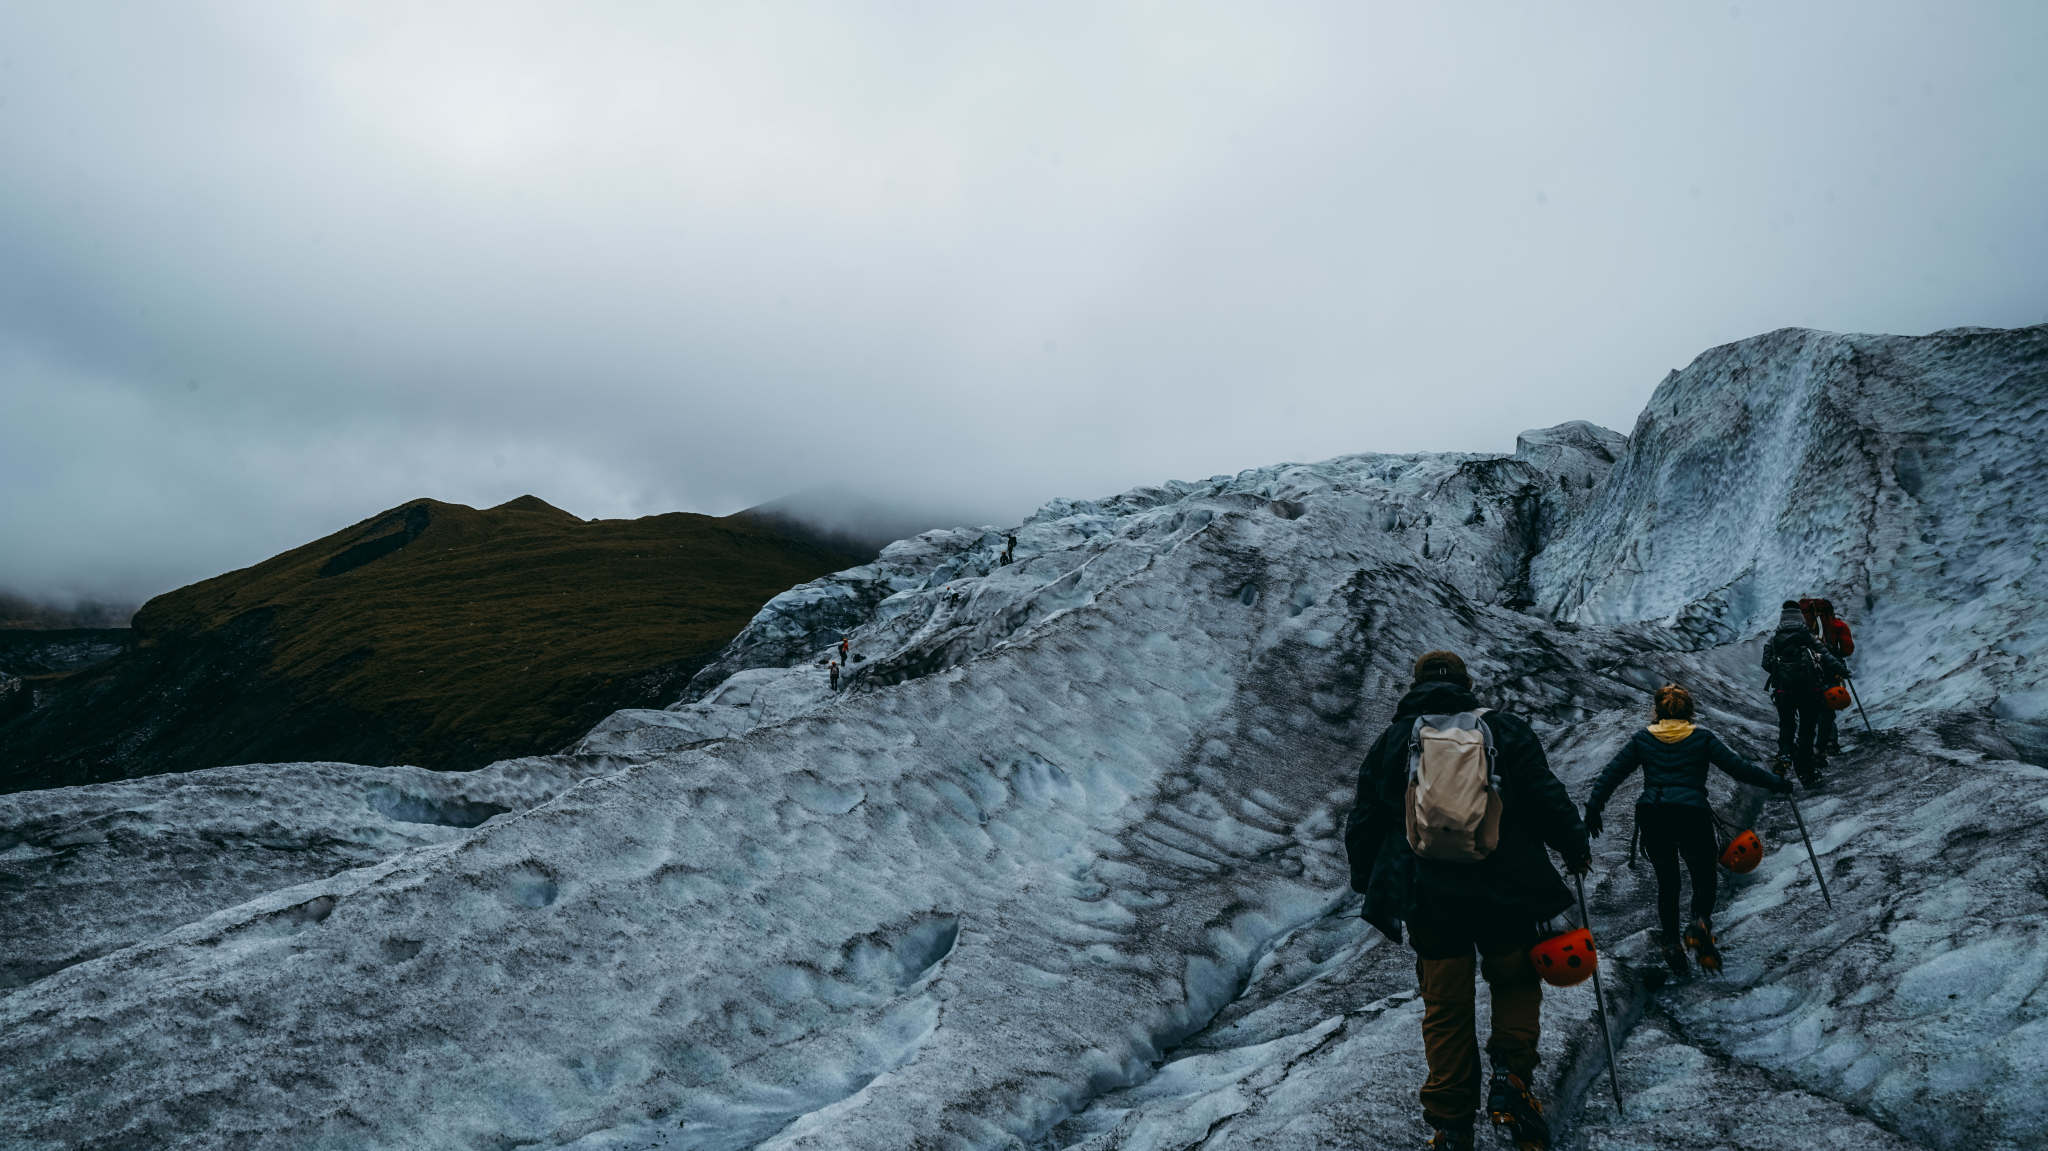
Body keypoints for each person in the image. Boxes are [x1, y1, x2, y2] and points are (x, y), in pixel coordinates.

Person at [1346, 650, 1590, 1151]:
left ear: (1415, 687)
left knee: (1445, 1007)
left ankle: (1451, 1124)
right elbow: (1545, 794)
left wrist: (1367, 880)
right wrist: (1574, 846)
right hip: (1507, 894)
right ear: (1465, 685)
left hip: (1430, 901)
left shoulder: (1392, 742)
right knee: (1516, 982)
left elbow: (1364, 820)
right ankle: (1512, 1080)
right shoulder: (1504, 731)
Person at [1582, 684, 1793, 977]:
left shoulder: (1642, 740)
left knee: (1668, 883)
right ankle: (1699, 924)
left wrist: (1594, 808)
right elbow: (1739, 768)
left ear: (1656, 710)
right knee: (1703, 878)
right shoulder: (1702, 738)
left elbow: (1612, 773)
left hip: (1654, 815)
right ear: (1689, 710)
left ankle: (1671, 944)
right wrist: (1776, 783)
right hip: (1692, 815)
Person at [1763, 600, 1848, 785]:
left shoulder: (1774, 639)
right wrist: (1842, 671)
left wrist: (1780, 674)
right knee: (1807, 732)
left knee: (1786, 726)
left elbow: (1765, 663)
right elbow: (1826, 657)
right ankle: (1807, 773)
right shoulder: (1808, 637)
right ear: (1800, 618)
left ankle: (1784, 757)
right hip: (1810, 691)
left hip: (1784, 692)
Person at [1811, 599, 1854, 755]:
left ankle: (1810, 740)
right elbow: (1848, 649)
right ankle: (1830, 741)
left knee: (1811, 702)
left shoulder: (1807, 626)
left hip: (1809, 669)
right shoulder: (1839, 625)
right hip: (1831, 669)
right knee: (1828, 703)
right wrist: (1837, 657)